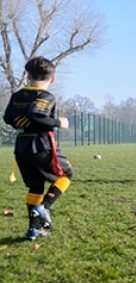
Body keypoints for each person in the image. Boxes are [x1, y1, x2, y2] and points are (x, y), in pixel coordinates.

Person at [3, 56, 72, 241]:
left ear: (28, 75)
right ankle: (44, 207)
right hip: (41, 144)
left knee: (35, 186)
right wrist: (59, 122)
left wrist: (23, 121)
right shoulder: (46, 96)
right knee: (66, 175)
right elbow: (36, 114)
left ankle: (34, 229)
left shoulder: (17, 95)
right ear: (53, 78)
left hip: (22, 146)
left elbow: (8, 118)